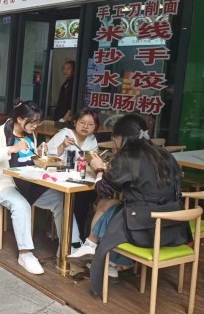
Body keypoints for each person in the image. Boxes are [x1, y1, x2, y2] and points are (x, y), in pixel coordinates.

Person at [67, 114, 190, 295]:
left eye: (115, 138)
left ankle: (91, 246)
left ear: (121, 137)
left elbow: (102, 189)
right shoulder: (165, 155)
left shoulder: (129, 157)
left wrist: (99, 168)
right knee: (116, 205)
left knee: (110, 205)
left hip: (145, 231)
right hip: (173, 228)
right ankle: (109, 261)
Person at [0, 100, 81, 275]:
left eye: (37, 122)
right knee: (21, 205)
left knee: (61, 201)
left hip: (28, 183)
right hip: (5, 183)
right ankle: (25, 253)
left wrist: (47, 151)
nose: (35, 126)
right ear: (20, 119)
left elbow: (33, 159)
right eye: (32, 122)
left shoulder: (30, 135)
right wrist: (11, 149)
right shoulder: (0, 133)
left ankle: (70, 247)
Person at [46, 108, 101, 236]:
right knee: (79, 199)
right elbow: (46, 155)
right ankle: (71, 236)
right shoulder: (64, 134)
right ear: (75, 122)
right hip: (60, 177)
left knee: (86, 196)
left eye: (90, 124)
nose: (85, 127)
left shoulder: (92, 139)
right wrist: (62, 146)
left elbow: (92, 161)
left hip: (79, 178)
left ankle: (76, 234)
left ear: (95, 127)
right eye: (82, 122)